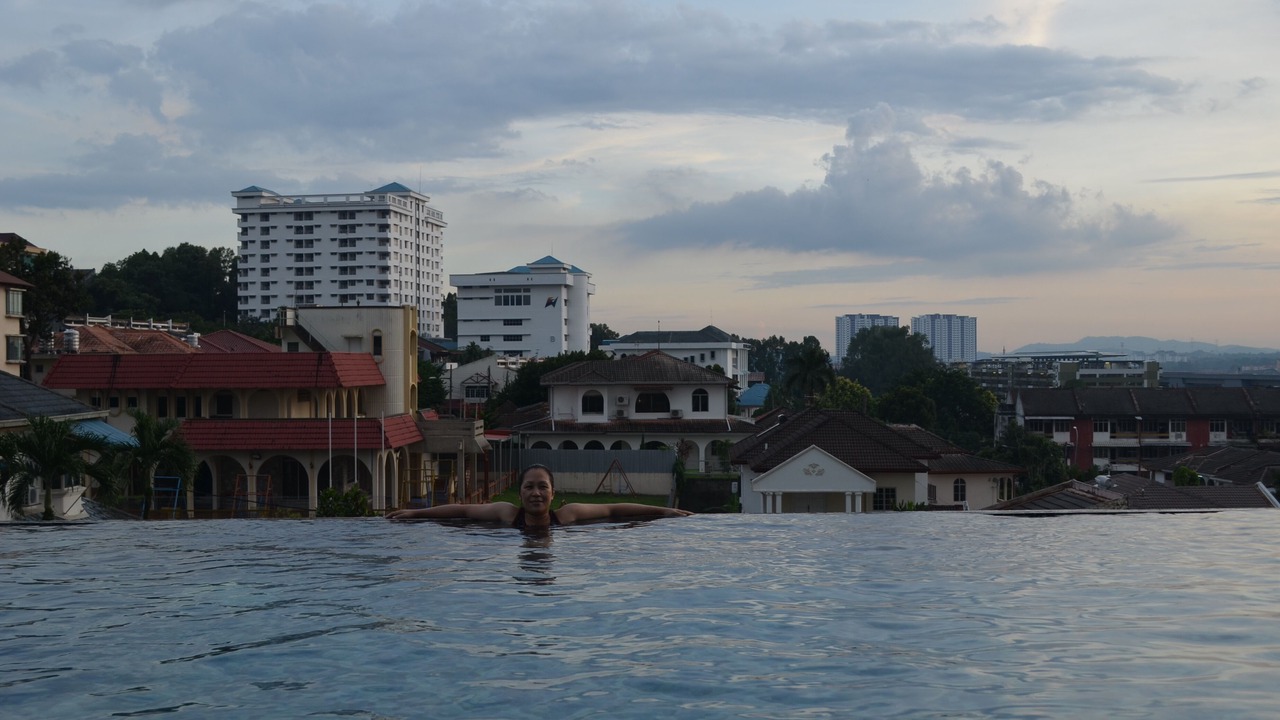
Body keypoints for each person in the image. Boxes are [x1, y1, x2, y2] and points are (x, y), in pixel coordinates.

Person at [385, 464, 692, 528]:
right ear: (520, 493)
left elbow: (613, 510)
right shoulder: (507, 513)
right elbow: (463, 511)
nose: (536, 493)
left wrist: (663, 511)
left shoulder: (566, 515)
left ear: (552, 492)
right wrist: (415, 513)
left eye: (542, 486)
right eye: (529, 487)